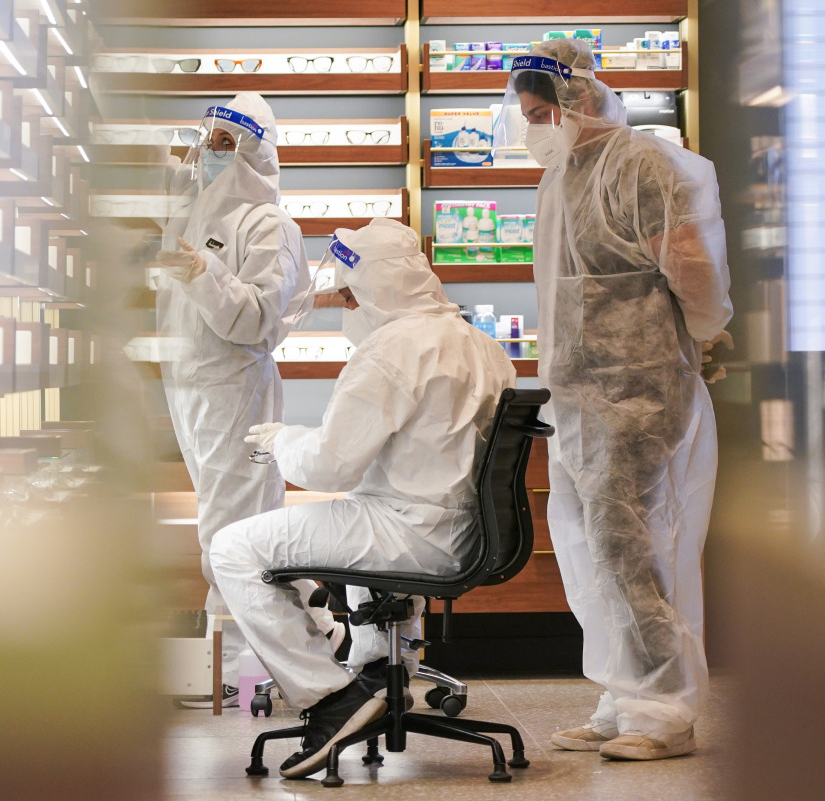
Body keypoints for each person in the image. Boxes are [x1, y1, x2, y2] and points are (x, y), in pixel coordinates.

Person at [209, 218, 516, 778]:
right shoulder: (483, 345)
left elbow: (329, 465)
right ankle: (379, 670)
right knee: (345, 519)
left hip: (409, 534)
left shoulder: (390, 352)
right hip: (461, 535)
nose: (346, 306)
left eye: (351, 294)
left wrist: (284, 441)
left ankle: (333, 700)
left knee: (232, 548)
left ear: (374, 290)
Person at [496, 38, 733, 760]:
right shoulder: (561, 175)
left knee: (632, 547)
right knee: (590, 549)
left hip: (637, 388)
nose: (536, 126)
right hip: (577, 392)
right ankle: (622, 692)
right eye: (528, 114)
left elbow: (691, 268)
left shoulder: (640, 164)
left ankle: (664, 708)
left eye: (545, 112)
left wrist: (702, 335)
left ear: (583, 99)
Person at [153, 94, 341, 708]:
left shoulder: (270, 226)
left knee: (227, 531)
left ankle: (230, 665)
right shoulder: (194, 209)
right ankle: (322, 630)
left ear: (255, 151)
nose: (211, 153)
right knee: (241, 523)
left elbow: (259, 319)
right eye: (208, 139)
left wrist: (203, 275)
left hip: (233, 390)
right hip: (190, 388)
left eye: (226, 143)